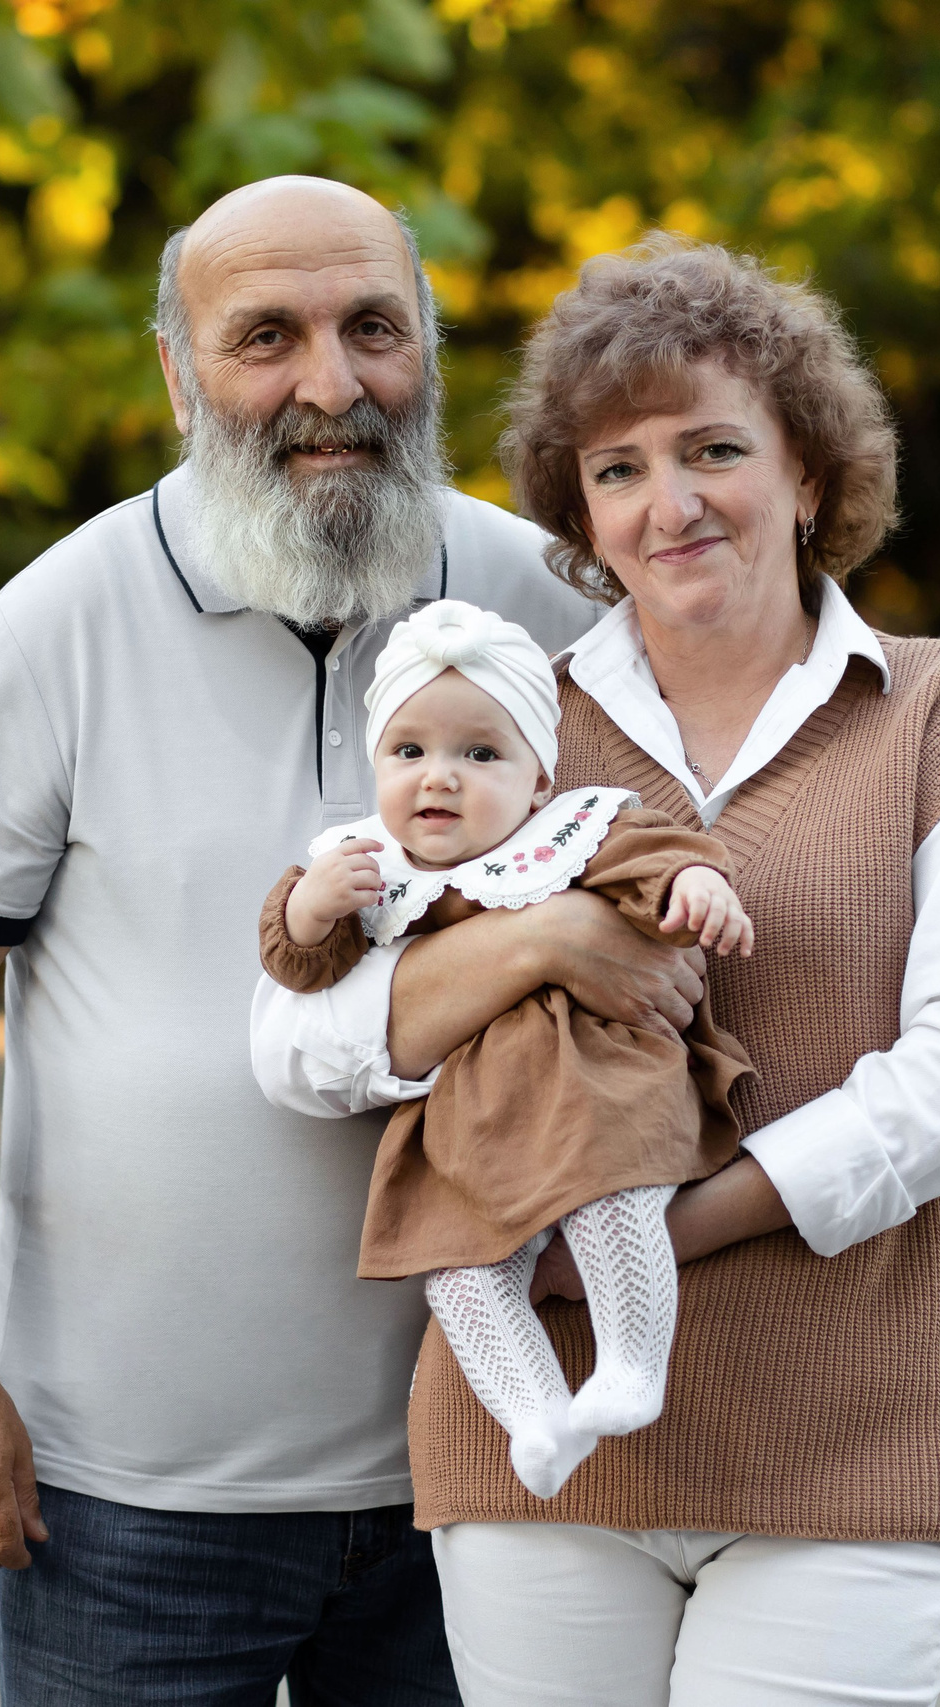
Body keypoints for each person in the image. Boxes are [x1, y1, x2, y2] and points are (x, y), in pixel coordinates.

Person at [0, 176, 940, 1705]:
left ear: (428, 344)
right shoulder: (54, 625)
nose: (331, 380)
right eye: (266, 337)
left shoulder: (536, 596)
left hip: (481, 1464)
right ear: (178, 373)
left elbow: (794, 706)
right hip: (146, 1492)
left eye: (375, 327)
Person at [258, 235, 940, 1706]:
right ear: (580, 509)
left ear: (812, 472)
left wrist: (668, 1228)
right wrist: (545, 939)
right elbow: (298, 1040)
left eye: (714, 450)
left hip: (859, 1434)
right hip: (537, 1436)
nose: (669, 502)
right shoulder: (509, 724)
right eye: (618, 469)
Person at [258, 598, 756, 1501]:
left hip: (591, 1084)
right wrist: (311, 904)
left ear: (537, 780)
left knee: (611, 1202)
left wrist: (697, 886)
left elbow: (663, 856)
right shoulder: (370, 866)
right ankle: (536, 1413)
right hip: (469, 1122)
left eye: (480, 753)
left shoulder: (570, 834)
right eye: (409, 752)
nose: (438, 778)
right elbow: (300, 967)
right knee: (458, 1268)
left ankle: (632, 1365)